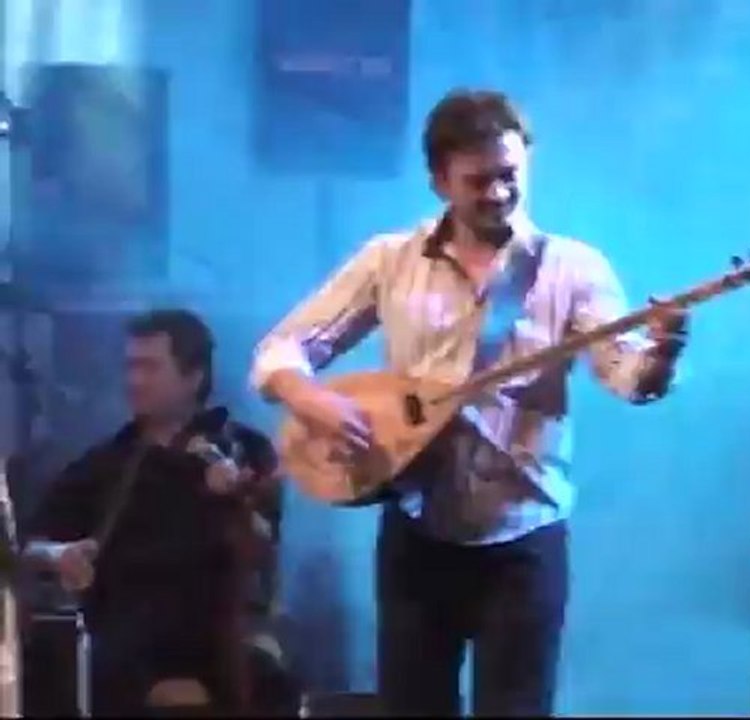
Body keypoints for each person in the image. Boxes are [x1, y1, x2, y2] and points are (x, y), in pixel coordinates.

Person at [250, 89, 689, 717]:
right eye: (478, 181)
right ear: (439, 182)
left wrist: (664, 351)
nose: (499, 193)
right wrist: (310, 399)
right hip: (417, 532)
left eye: (510, 175)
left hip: (524, 537)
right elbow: (279, 351)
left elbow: (628, 377)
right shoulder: (390, 260)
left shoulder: (571, 268)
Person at [22, 309, 280, 716]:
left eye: (149, 367)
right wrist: (59, 555)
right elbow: (27, 545)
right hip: (123, 661)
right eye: (130, 366)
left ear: (193, 377)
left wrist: (233, 495)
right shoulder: (103, 464)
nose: (134, 380)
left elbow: (262, 536)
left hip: (226, 652)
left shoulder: (244, 448)